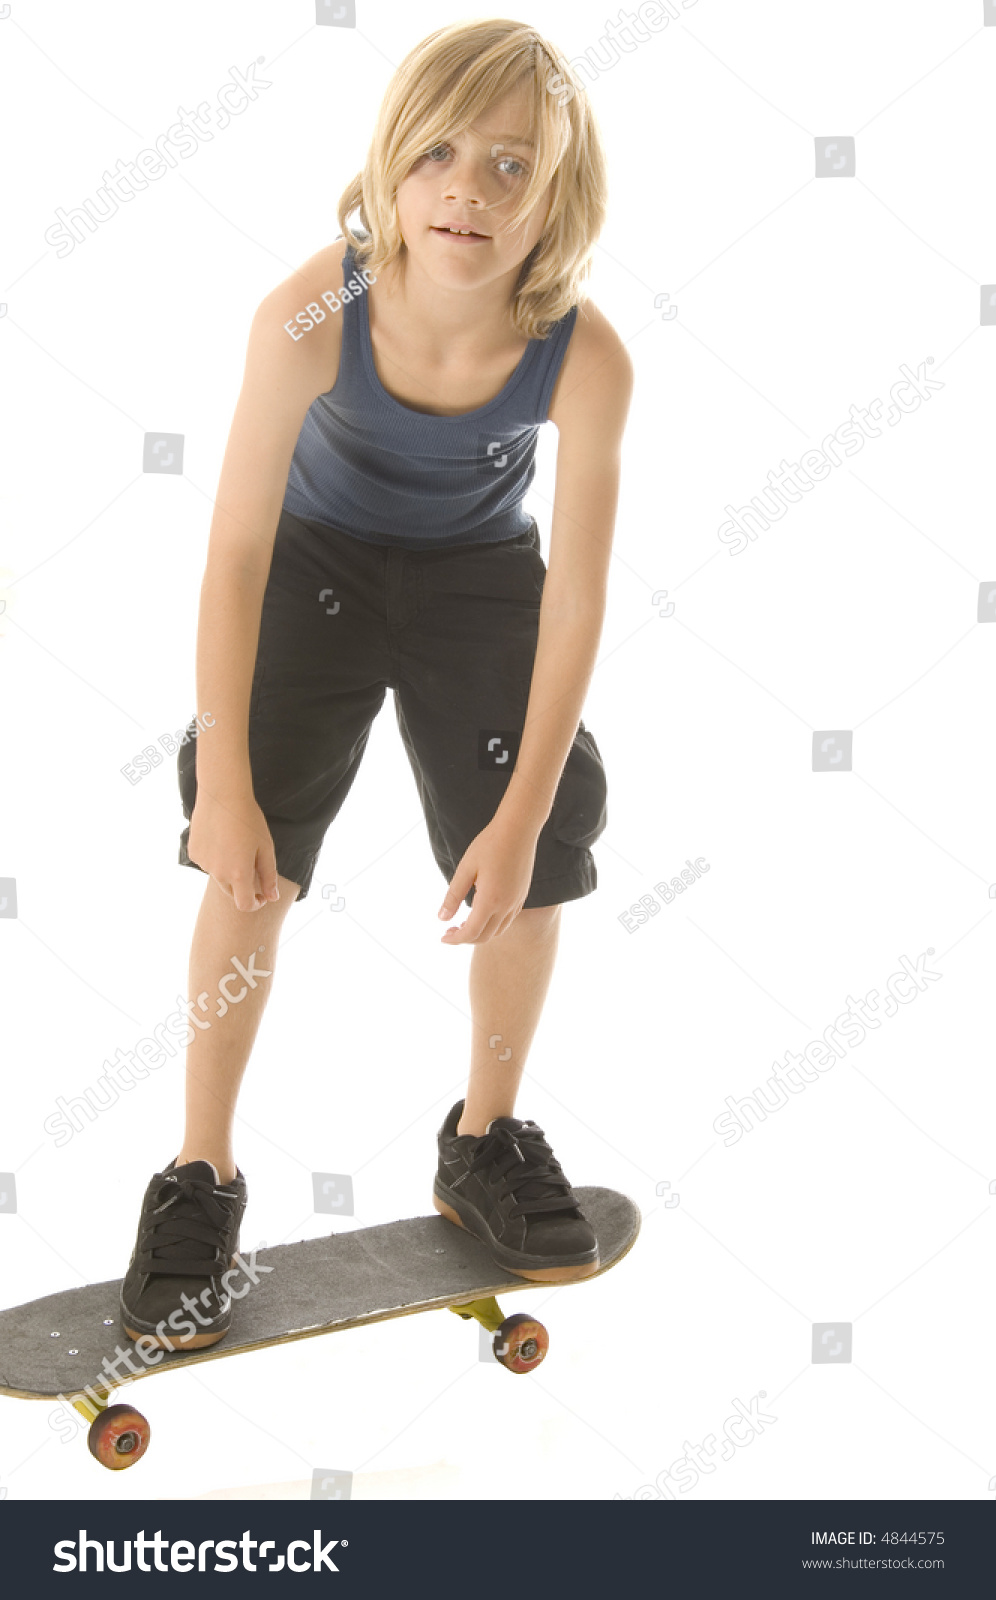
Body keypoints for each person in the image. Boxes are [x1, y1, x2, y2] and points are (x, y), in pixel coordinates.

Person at [119, 19, 633, 1351]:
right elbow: (234, 553)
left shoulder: (585, 356)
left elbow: (574, 596)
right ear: (392, 169)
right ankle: (199, 1173)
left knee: (540, 850)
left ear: (558, 197)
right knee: (248, 861)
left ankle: (484, 1136)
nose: (471, 188)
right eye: (443, 155)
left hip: (478, 577)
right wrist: (225, 786)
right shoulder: (311, 312)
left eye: (514, 166)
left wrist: (514, 821)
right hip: (313, 563)